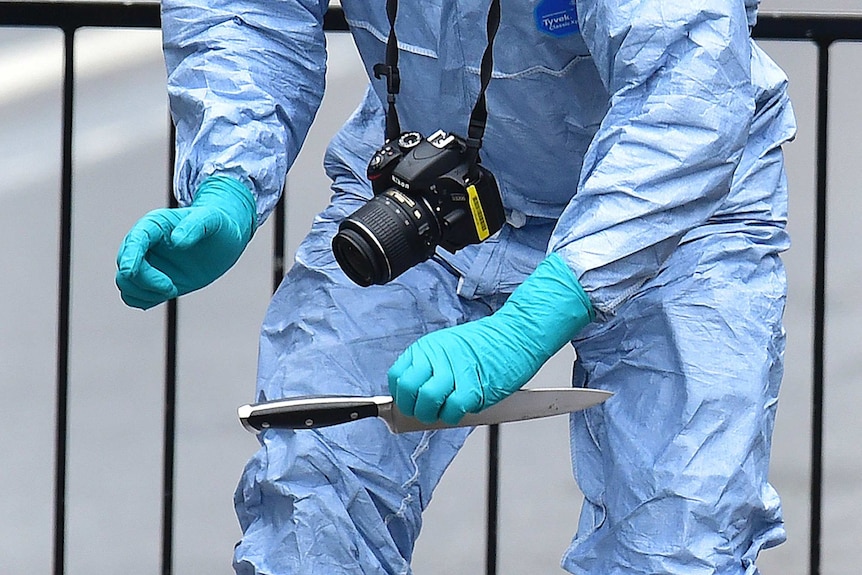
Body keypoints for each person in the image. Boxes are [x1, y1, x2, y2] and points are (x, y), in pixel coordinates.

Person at [115, 0, 796, 573]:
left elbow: (686, 85)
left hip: (678, 212)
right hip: (428, 190)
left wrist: (536, 316)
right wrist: (229, 181)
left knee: (677, 535)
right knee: (312, 498)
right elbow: (248, 10)